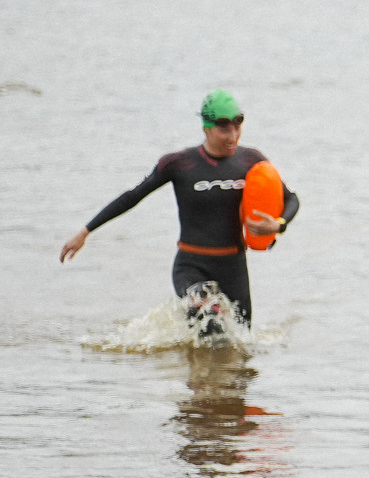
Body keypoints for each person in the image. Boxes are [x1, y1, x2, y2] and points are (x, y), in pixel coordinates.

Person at [59, 91, 298, 332]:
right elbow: (133, 196)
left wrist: (279, 225)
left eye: (238, 126)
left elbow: (291, 199)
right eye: (224, 129)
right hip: (192, 265)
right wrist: (86, 231)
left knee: (242, 346)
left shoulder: (252, 161)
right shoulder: (180, 164)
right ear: (206, 127)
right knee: (210, 324)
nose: (233, 136)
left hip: (234, 266)